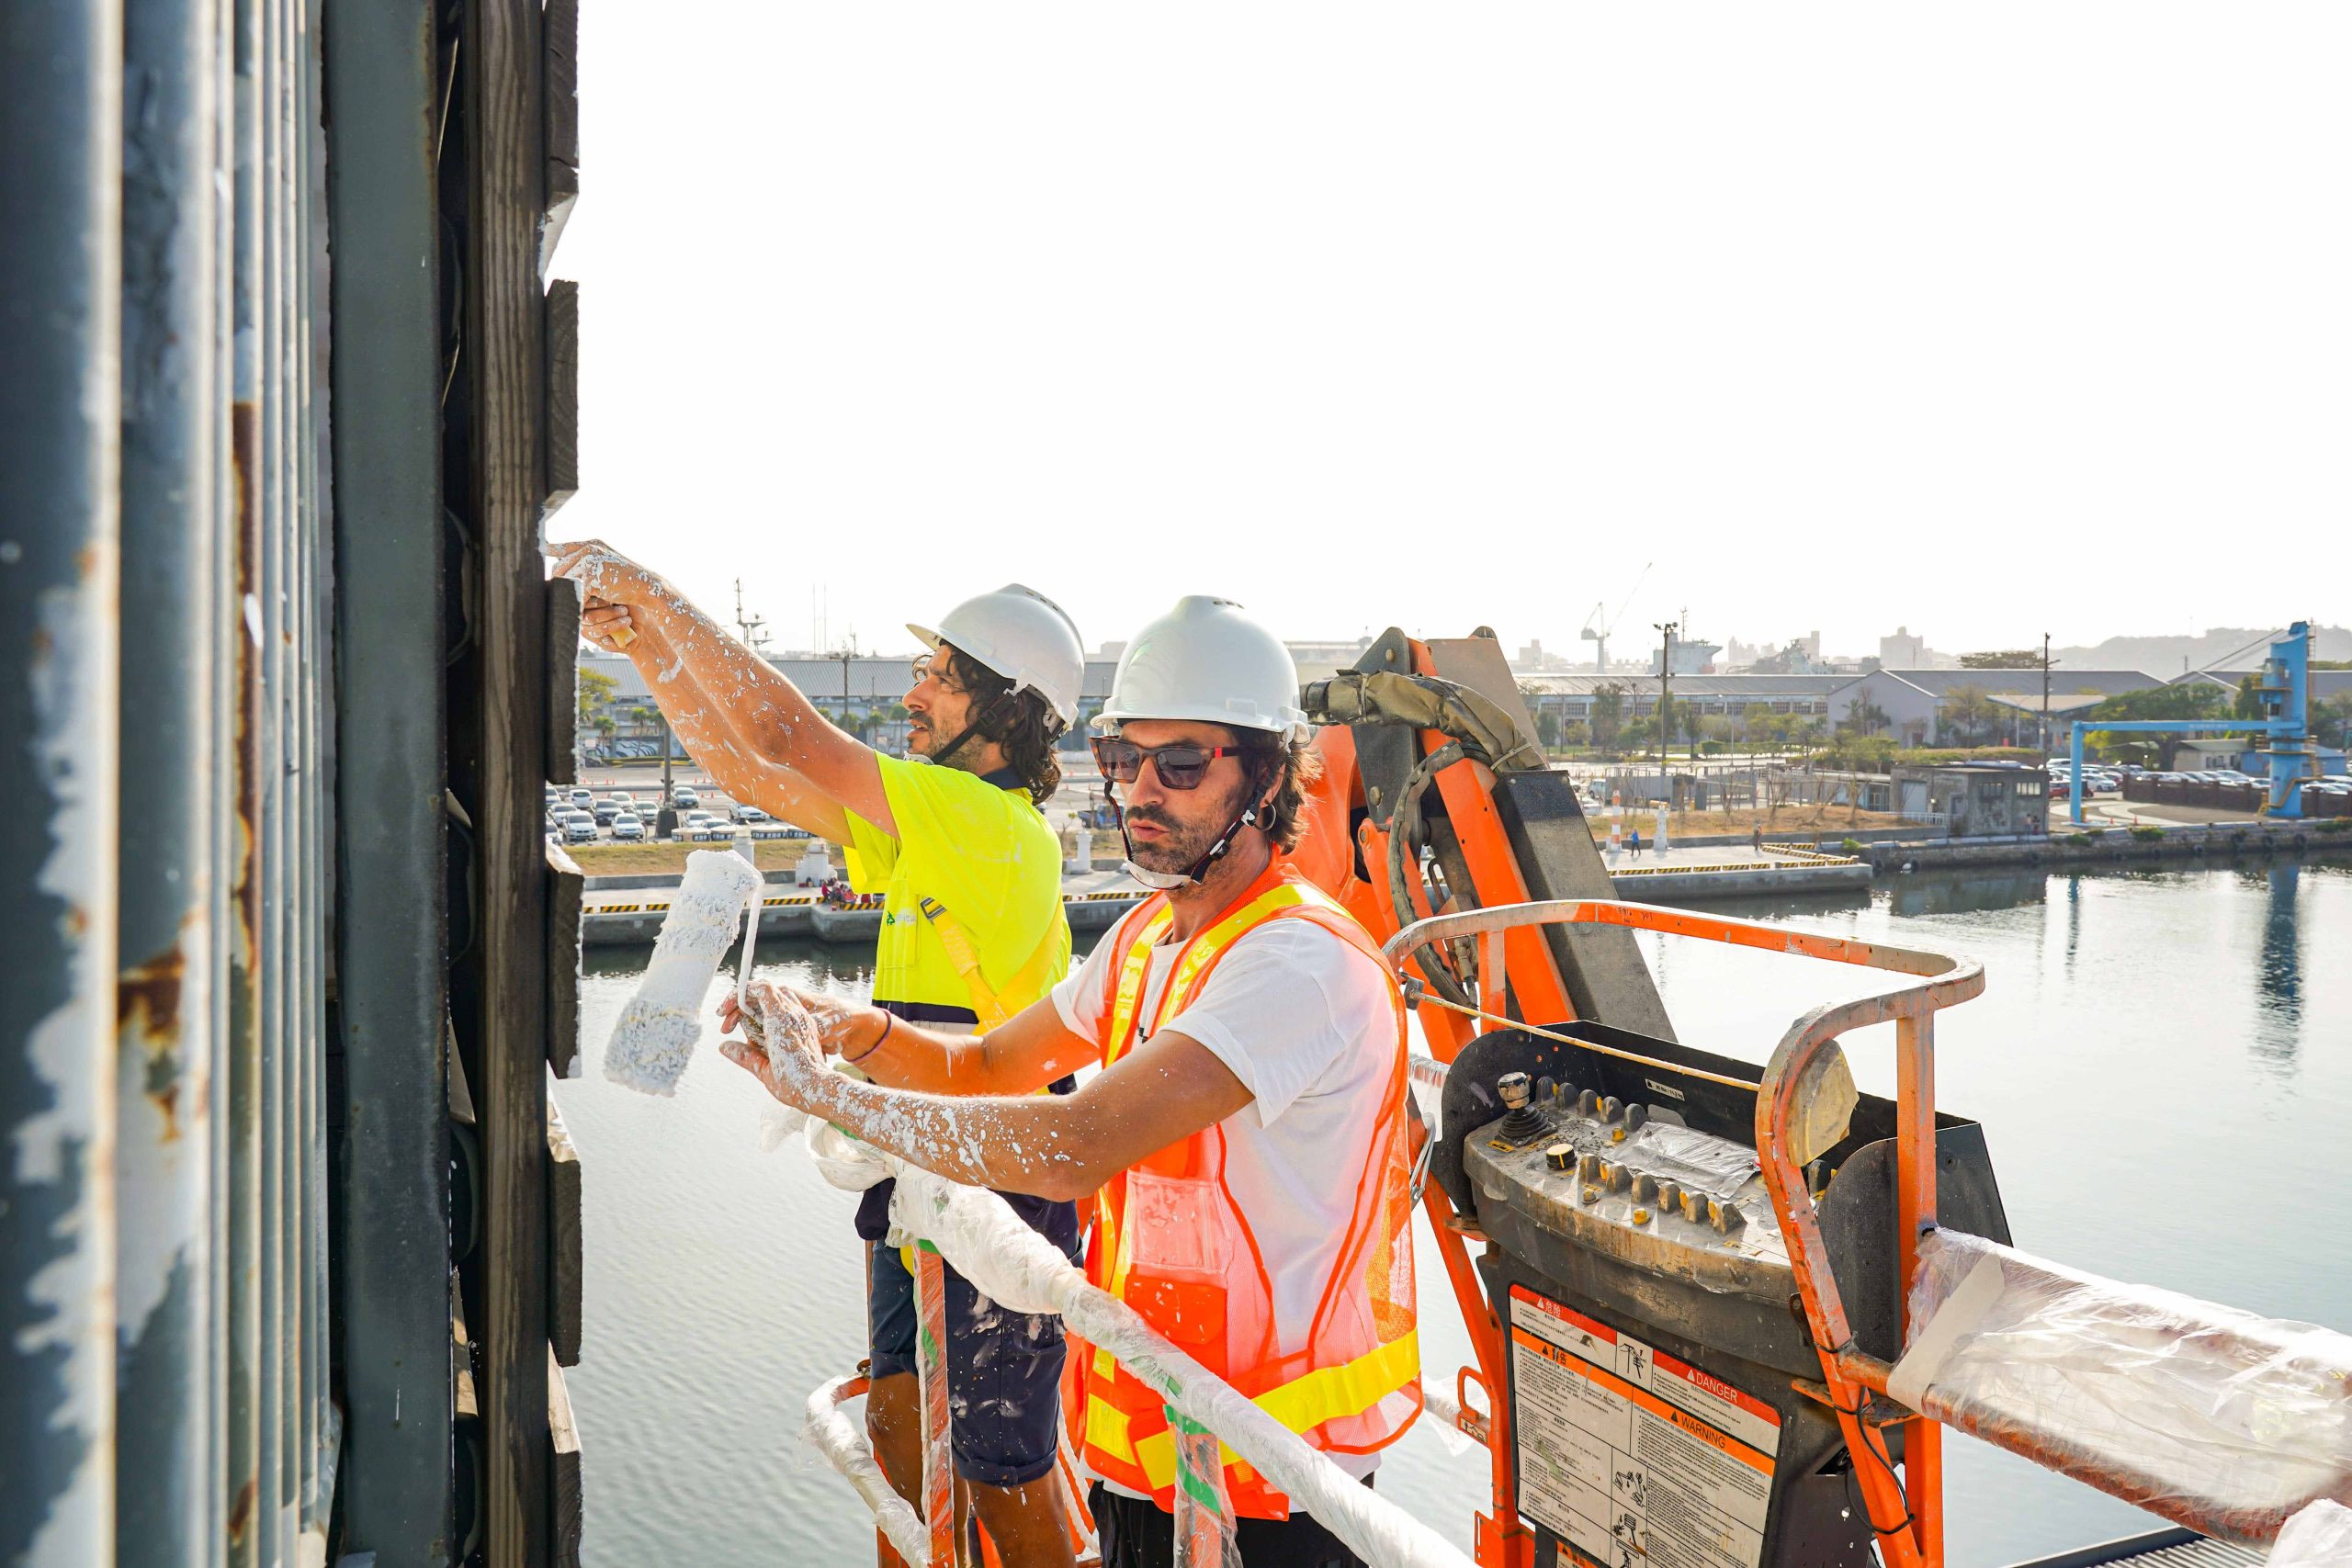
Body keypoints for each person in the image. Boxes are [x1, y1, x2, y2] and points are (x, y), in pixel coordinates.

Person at [718, 596, 1420, 1568]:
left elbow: (1070, 1147)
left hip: (1273, 1474)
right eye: (1121, 760)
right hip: (1153, 1442)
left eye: (1179, 765)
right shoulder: (1147, 939)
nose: (1140, 790)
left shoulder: (1295, 962)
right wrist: (853, 1032)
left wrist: (827, 1096)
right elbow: (990, 1065)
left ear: (1264, 777)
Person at [549, 543, 1088, 1568]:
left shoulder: (984, 820)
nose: (915, 694)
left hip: (993, 1171)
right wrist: (649, 644)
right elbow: (747, 767)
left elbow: (781, 730)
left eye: (941, 678)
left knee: (999, 1469)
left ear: (1005, 711)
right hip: (921, 1152)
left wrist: (652, 591)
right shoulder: (940, 823)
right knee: (899, 1421)